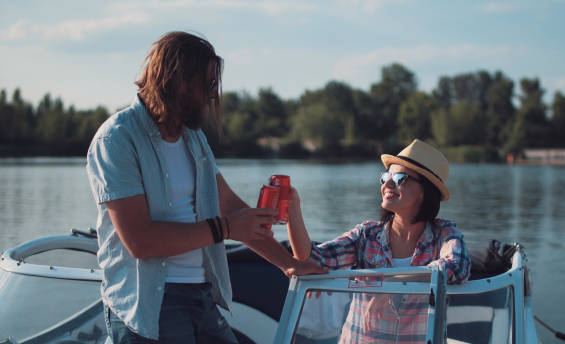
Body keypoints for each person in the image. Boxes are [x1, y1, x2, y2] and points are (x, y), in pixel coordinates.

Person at [86, 31, 322, 344]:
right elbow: (140, 242)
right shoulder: (116, 139)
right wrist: (225, 228)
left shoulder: (192, 138)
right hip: (150, 306)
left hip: (201, 296)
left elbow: (232, 208)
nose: (213, 96)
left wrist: (289, 264)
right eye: (208, 84)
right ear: (177, 80)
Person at [286, 139, 471, 343]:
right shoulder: (366, 235)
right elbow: (312, 258)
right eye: (385, 177)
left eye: (400, 178)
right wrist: (292, 209)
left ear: (424, 192)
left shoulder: (443, 233)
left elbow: (457, 266)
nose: (388, 184)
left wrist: (389, 286)